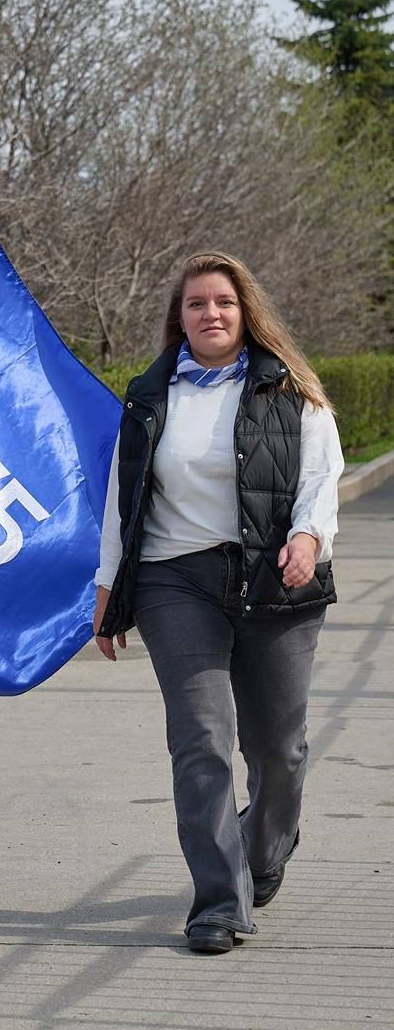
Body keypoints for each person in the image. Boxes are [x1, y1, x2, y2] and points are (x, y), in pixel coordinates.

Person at [94, 251, 343, 954]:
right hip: (174, 580)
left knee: (277, 749)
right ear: (179, 318)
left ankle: (265, 847)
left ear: (245, 312)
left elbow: (321, 478)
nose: (211, 313)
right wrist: (108, 587)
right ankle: (217, 903)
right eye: (196, 303)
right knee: (200, 739)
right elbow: (121, 499)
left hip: (274, 577)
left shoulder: (290, 391)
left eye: (223, 302)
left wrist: (306, 536)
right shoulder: (149, 397)